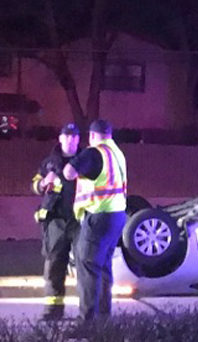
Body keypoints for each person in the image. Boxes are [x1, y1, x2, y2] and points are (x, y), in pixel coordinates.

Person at [63, 119, 127, 321]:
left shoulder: (94, 152)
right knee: (103, 267)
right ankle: (104, 318)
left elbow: (68, 173)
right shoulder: (117, 153)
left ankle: (87, 321)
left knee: (88, 266)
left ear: (91, 136)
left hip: (98, 216)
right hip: (117, 216)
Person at [31, 123, 81, 320]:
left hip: (79, 220)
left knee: (84, 266)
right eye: (67, 136)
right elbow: (33, 185)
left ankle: (87, 312)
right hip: (56, 221)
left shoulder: (86, 160)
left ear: (78, 140)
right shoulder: (49, 162)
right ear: (60, 139)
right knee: (54, 265)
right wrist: (43, 182)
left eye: (74, 137)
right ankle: (53, 310)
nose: (70, 140)